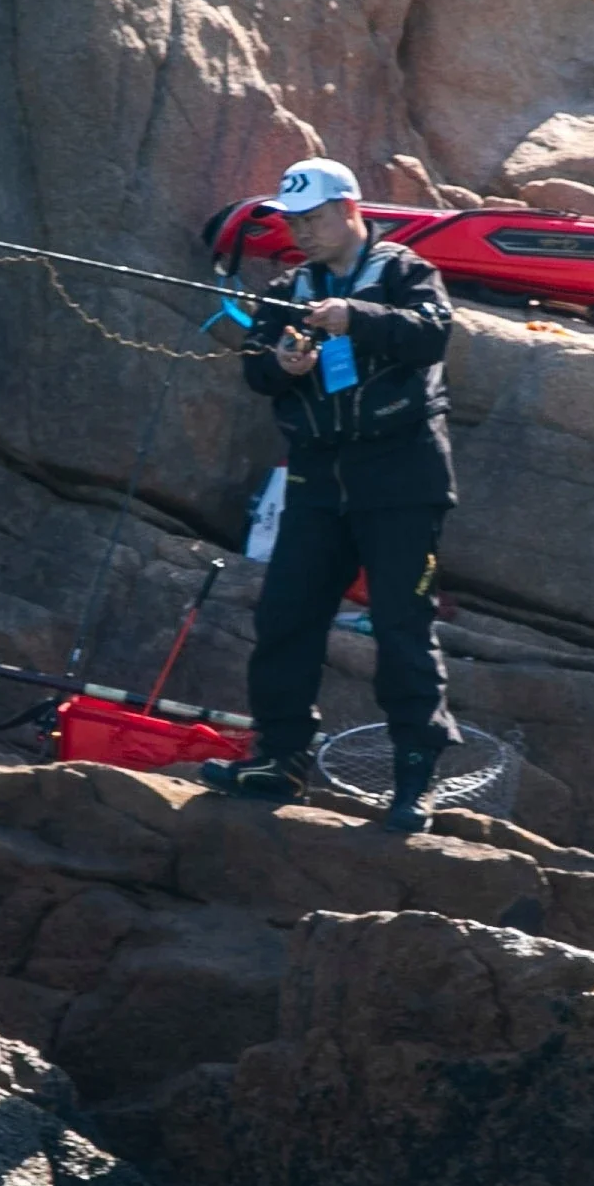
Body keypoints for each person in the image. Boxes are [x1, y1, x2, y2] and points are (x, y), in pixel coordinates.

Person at [216, 157, 460, 832]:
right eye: (293, 221)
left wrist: (352, 316)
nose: (301, 231)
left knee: (401, 628)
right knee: (284, 619)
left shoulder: (407, 271)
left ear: (349, 208)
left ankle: (414, 780)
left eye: (313, 217)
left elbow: (431, 333)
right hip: (318, 480)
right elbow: (257, 372)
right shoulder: (287, 285)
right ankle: (279, 759)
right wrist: (280, 363)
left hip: (403, 478)